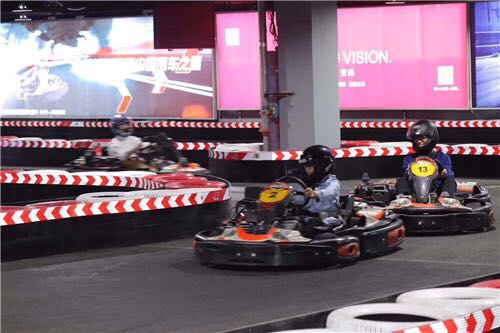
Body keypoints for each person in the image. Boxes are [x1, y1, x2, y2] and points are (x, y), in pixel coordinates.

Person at [396, 120, 456, 197]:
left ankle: (445, 198)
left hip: (436, 190)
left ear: (432, 138)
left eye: (423, 138)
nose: (419, 141)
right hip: (415, 189)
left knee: (450, 179)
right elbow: (406, 175)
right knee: (401, 180)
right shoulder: (409, 158)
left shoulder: (443, 157)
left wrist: (443, 174)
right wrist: (409, 172)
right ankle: (404, 198)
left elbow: (448, 172)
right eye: (416, 138)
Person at [293, 145, 340, 215]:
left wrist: (316, 193)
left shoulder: (333, 183)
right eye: (305, 166)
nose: (306, 169)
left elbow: (329, 192)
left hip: (329, 219)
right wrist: (289, 197)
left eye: (309, 166)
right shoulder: (306, 183)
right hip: (307, 217)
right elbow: (299, 200)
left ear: (321, 166)